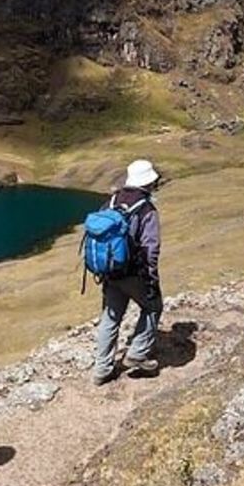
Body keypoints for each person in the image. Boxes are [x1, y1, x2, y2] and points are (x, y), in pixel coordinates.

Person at [93, 159, 163, 386]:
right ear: (148, 183)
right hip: (134, 273)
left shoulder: (111, 202)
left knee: (111, 317)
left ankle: (102, 370)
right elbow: (150, 248)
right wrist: (151, 280)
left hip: (110, 272)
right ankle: (137, 354)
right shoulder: (146, 209)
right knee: (153, 306)